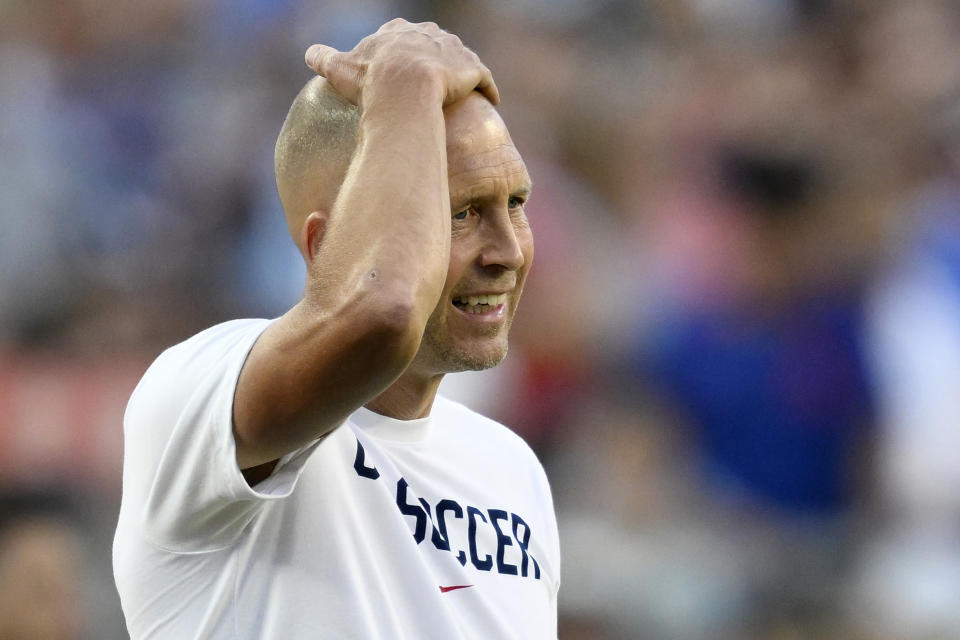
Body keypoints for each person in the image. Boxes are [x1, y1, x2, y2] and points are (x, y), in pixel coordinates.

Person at [112, 19, 560, 639]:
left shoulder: (512, 469)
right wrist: (405, 81)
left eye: (515, 204)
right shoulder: (197, 392)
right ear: (328, 248)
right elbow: (381, 312)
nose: (508, 251)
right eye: (460, 213)